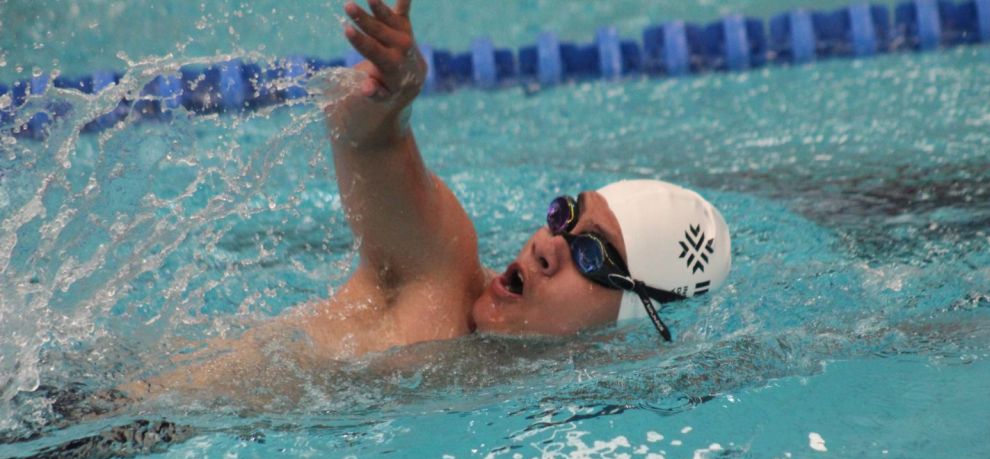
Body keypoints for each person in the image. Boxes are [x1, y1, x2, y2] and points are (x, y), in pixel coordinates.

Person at [126, 0, 731, 401]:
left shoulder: (510, 387)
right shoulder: (442, 276)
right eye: (565, 214)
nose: (548, 245)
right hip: (93, 422)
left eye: (593, 255)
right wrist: (393, 97)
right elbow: (366, 141)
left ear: (633, 324)